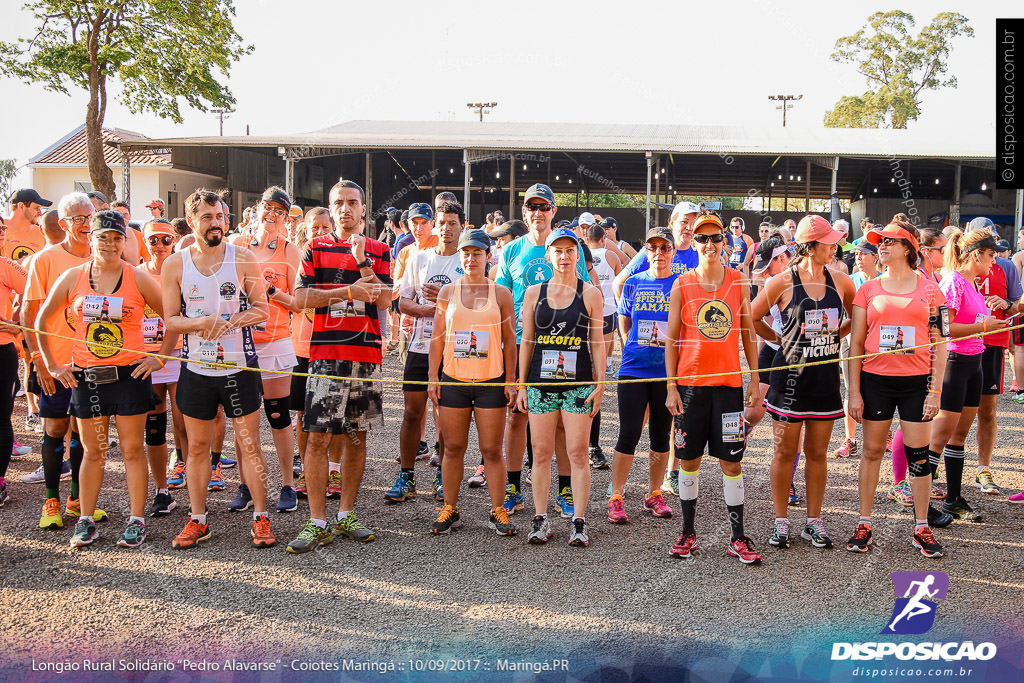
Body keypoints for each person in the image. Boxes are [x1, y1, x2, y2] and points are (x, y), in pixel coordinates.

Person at [36, 210, 169, 547]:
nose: (110, 244)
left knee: (131, 450)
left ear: (125, 241)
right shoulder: (73, 277)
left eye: (116, 238)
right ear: (90, 239)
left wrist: (159, 356)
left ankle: (136, 520)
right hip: (88, 378)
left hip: (129, 376)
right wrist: (52, 364)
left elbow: (173, 316)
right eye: (103, 237)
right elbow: (39, 321)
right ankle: (85, 520)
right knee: (93, 451)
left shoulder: (137, 277)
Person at [161, 189, 273, 549]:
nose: (216, 224)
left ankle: (260, 517)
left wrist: (228, 321)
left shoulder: (241, 257)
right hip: (197, 370)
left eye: (221, 217)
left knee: (249, 444)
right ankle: (198, 518)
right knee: (195, 448)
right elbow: (171, 320)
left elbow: (262, 309)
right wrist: (200, 324)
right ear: (191, 221)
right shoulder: (175, 264)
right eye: (207, 217)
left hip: (238, 368)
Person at [286, 180, 391, 554]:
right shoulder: (314, 247)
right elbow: (300, 299)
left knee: (356, 436)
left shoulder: (380, 250)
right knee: (317, 437)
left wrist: (362, 260)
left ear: (364, 209)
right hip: (326, 356)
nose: (346, 209)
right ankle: (316, 521)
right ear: (331, 209)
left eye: (353, 203)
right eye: (339, 204)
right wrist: (346, 292)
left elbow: (385, 298)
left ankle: (346, 513)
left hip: (366, 356)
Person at [845, 220, 950, 558]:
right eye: (879, 242)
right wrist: (854, 391)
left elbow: (941, 344)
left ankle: (922, 527)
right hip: (875, 382)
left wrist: (935, 391)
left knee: (919, 457)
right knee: (872, 452)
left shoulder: (931, 290)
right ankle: (863, 523)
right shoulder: (868, 289)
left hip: (916, 384)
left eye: (889, 241)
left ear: (908, 248)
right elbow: (856, 345)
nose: (881, 246)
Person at [664, 214, 762, 563]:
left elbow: (749, 332)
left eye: (715, 238)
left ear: (725, 242)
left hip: (728, 389)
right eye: (702, 239)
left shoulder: (738, 282)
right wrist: (671, 387)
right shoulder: (681, 283)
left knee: (731, 464)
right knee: (688, 462)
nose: (709, 245)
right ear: (693, 242)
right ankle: (688, 533)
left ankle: (738, 537)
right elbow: (672, 340)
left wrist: (754, 377)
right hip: (691, 389)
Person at [753, 215, 855, 550]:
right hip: (789, 383)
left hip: (825, 381)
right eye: (829, 242)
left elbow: (855, 317)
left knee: (817, 453)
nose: (835, 246)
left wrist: (835, 337)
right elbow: (752, 317)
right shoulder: (783, 281)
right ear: (811, 247)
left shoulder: (841, 281)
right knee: (784, 452)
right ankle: (781, 522)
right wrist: (780, 341)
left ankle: (814, 522)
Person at [495, 183, 591, 519]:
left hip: (562, 345)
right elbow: (502, 305)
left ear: (553, 211)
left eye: (544, 207)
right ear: (524, 212)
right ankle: (513, 487)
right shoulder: (511, 251)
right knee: (516, 416)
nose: (537, 212)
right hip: (523, 342)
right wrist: (509, 361)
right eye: (531, 207)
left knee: (564, 425)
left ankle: (565, 490)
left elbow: (583, 294)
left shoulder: (568, 248)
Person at [516, 227, 605, 546]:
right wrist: (522, 384)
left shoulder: (591, 293)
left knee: (578, 452)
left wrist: (601, 384)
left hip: (577, 386)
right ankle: (540, 520)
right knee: (540, 454)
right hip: (541, 385)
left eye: (570, 251)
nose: (564, 256)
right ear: (548, 255)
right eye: (558, 251)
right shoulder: (533, 293)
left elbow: (597, 344)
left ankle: (579, 523)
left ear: (577, 254)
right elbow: (527, 341)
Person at [426, 228, 517, 535]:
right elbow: (437, 339)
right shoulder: (448, 292)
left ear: (488, 256)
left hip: (491, 381)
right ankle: (450, 508)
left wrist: (511, 380)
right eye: (466, 253)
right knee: (452, 447)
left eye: (477, 252)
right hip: (454, 380)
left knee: (491, 450)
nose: (471, 258)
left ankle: (498, 510)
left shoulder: (500, 293)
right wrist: (432, 378)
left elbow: (509, 341)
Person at [22, 192, 96, 531]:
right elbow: (29, 313)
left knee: (86, 433)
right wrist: (37, 359)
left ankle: (78, 499)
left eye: (90, 217)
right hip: (56, 363)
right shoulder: (45, 260)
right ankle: (51, 499)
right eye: (78, 218)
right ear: (63, 223)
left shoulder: (104, 255)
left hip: (94, 363)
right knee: (54, 429)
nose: (85, 224)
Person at [927, 226, 1008, 523]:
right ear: (975, 255)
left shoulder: (973, 284)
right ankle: (922, 503)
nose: (994, 262)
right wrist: (984, 326)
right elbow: (945, 329)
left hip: (975, 361)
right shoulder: (954, 282)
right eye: (990, 255)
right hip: (955, 362)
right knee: (940, 435)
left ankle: (953, 498)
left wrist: (985, 324)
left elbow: (970, 323)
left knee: (959, 435)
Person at [230, 186, 301, 513]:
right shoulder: (237, 245)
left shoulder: (289, 251)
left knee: (277, 414)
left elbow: (298, 304)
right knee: (243, 418)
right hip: (240, 344)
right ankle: (246, 484)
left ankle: (288, 484)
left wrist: (268, 289)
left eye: (279, 211)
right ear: (257, 210)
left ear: (286, 218)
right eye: (267, 208)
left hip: (274, 342)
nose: (271, 215)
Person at [388, 201, 464, 504]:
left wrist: (447, 301)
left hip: (453, 348)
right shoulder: (419, 258)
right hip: (420, 346)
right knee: (411, 412)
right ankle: (406, 474)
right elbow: (402, 302)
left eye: (452, 223)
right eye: (442, 222)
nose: (446, 228)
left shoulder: (469, 260)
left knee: (445, 416)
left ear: (462, 226)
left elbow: (479, 302)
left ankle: (443, 475)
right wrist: (429, 309)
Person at [607, 227, 677, 524]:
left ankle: (653, 493)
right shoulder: (634, 283)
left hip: (666, 373)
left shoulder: (681, 284)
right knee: (630, 431)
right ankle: (616, 496)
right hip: (634, 369)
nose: (658, 254)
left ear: (673, 251)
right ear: (645, 251)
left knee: (661, 435)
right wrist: (629, 349)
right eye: (652, 248)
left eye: (664, 248)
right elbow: (624, 321)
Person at [954, 217, 1021, 497]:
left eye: (994, 246)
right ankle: (935, 468)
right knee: (949, 411)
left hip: (991, 345)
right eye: (988, 248)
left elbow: (1019, 303)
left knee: (987, 410)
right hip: (959, 347)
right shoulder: (957, 269)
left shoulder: (1005, 266)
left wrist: (1006, 304)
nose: (993, 254)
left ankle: (983, 468)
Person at [291, 208, 343, 499]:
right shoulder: (301, 261)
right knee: (303, 414)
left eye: (326, 227)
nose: (321, 232)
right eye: (315, 228)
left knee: (334, 416)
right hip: (302, 348)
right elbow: (296, 302)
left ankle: (334, 470)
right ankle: (307, 469)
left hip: (333, 347)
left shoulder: (342, 259)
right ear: (305, 232)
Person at [139, 219, 188, 516]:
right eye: (153, 240)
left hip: (179, 354)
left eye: (165, 240)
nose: (159, 246)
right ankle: (161, 490)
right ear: (144, 242)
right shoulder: (136, 274)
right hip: (146, 357)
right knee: (154, 424)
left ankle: (184, 466)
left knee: (183, 421)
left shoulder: (182, 270)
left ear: (174, 241)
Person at [833, 240, 881, 458]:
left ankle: (883, 434)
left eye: (864, 254)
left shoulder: (885, 281)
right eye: (857, 255)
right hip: (851, 341)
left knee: (877, 388)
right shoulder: (850, 280)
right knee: (851, 387)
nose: (859, 258)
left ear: (875, 257)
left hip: (877, 343)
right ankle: (850, 439)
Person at [585, 223, 621, 469]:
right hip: (608, 309)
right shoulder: (611, 253)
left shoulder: (592, 277)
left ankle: (592, 446)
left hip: (600, 313)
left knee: (592, 386)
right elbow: (624, 270)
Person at [612, 201, 700, 300]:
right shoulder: (653, 250)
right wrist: (625, 313)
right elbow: (618, 283)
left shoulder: (700, 253)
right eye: (684, 222)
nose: (689, 228)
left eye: (695, 224)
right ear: (672, 223)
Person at [0, 220, 27, 507]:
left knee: (0, 417)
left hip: (2, 349)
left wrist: (17, 325)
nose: (2, 235)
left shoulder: (6, 265)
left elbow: (37, 294)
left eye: (1, 229)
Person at [3, 188, 50, 263]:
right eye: (37, 208)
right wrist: (17, 265)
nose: (40, 213)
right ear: (21, 206)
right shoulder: (2, 229)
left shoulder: (42, 234)